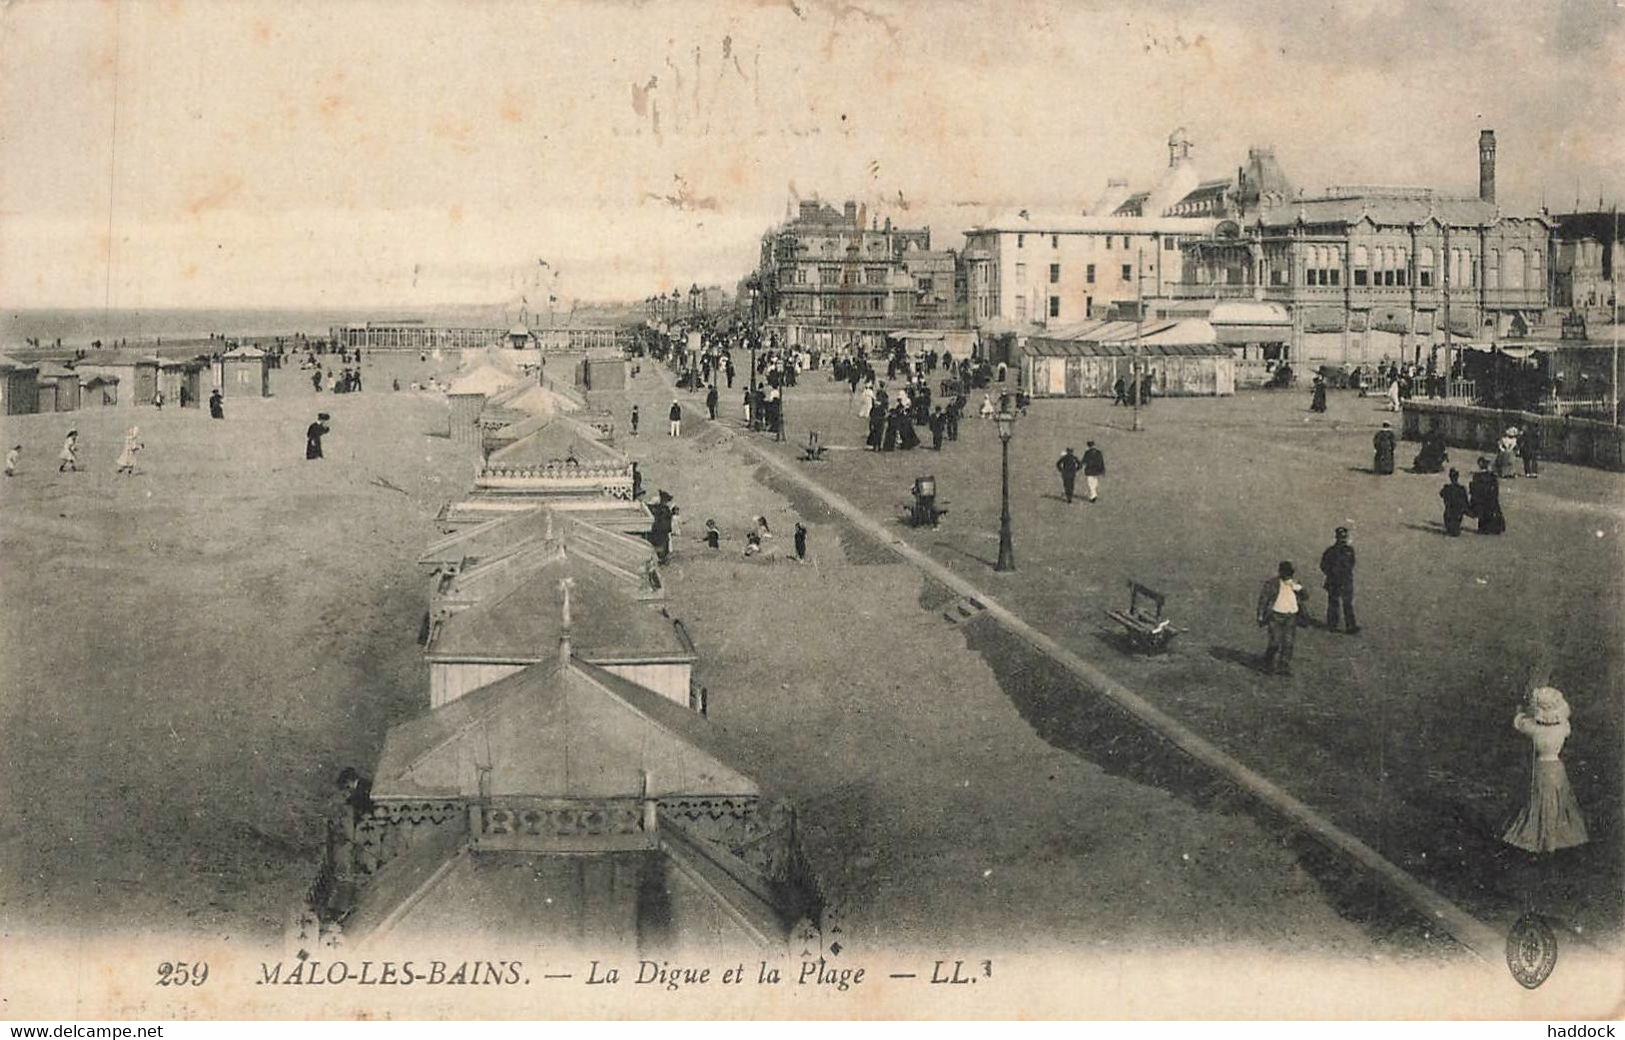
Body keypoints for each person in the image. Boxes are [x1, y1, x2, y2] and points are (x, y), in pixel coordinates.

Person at [1501, 687, 1588, 853]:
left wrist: (1522, 709)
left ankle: (1541, 838)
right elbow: (1564, 722)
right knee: (1559, 800)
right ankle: (1557, 838)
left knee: (1540, 800)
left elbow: (1519, 721)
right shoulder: (1564, 727)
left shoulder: (1533, 729)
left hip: (1542, 766)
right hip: (1557, 767)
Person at [1256, 561, 1303, 677]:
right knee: (1275, 642)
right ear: (1281, 573)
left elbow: (1306, 596)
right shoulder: (1272, 584)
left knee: (1288, 643)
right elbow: (1264, 599)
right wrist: (1261, 614)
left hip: (1291, 616)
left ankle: (1284, 666)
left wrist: (1299, 589)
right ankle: (1268, 663)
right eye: (1286, 574)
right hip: (1276, 616)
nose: (1288, 577)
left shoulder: (1295, 584)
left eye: (1290, 574)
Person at [1318, 527, 1359, 634]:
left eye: (1344, 537)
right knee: (1333, 603)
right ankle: (1332, 625)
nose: (1343, 539)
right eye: (1341, 537)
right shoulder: (1330, 551)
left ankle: (1350, 626)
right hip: (1334, 581)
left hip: (1346, 581)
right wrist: (1331, 573)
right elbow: (1323, 565)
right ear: (1337, 537)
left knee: (1347, 604)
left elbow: (1352, 563)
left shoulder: (1349, 550)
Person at [1469, 457, 1505, 534]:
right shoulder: (1492, 476)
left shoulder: (1477, 476)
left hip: (1481, 501)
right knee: (1491, 512)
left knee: (1483, 515)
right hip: (1491, 500)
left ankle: (1483, 528)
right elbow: (1496, 490)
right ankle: (1493, 528)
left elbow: (1473, 490)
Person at [1440, 468, 1471, 536]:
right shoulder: (1461, 489)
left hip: (1449, 512)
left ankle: (1452, 528)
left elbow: (1441, 494)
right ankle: (1454, 528)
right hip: (1458, 513)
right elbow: (1465, 501)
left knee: (1450, 519)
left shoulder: (1447, 488)